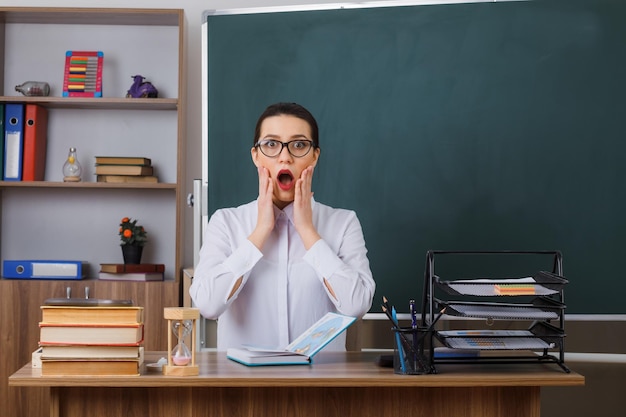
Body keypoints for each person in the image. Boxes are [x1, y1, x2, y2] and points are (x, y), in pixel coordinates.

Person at [190, 102, 375, 351]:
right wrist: (260, 232)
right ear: (256, 156)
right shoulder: (226, 222)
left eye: (299, 145)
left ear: (315, 156)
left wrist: (308, 231)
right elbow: (208, 306)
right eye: (271, 144)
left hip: (320, 383)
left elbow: (356, 306)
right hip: (243, 383)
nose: (285, 156)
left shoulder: (343, 223)